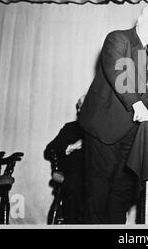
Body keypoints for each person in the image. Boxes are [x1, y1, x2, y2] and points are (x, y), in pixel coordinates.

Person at [78, 4, 148, 224]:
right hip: (104, 129)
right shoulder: (118, 39)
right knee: (98, 191)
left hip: (135, 133)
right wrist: (137, 104)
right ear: (140, 20)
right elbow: (119, 72)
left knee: (123, 191)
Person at [44, 95, 85, 224]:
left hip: (96, 172)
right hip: (73, 172)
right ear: (79, 109)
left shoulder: (101, 130)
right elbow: (50, 150)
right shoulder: (70, 128)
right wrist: (71, 147)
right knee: (76, 182)